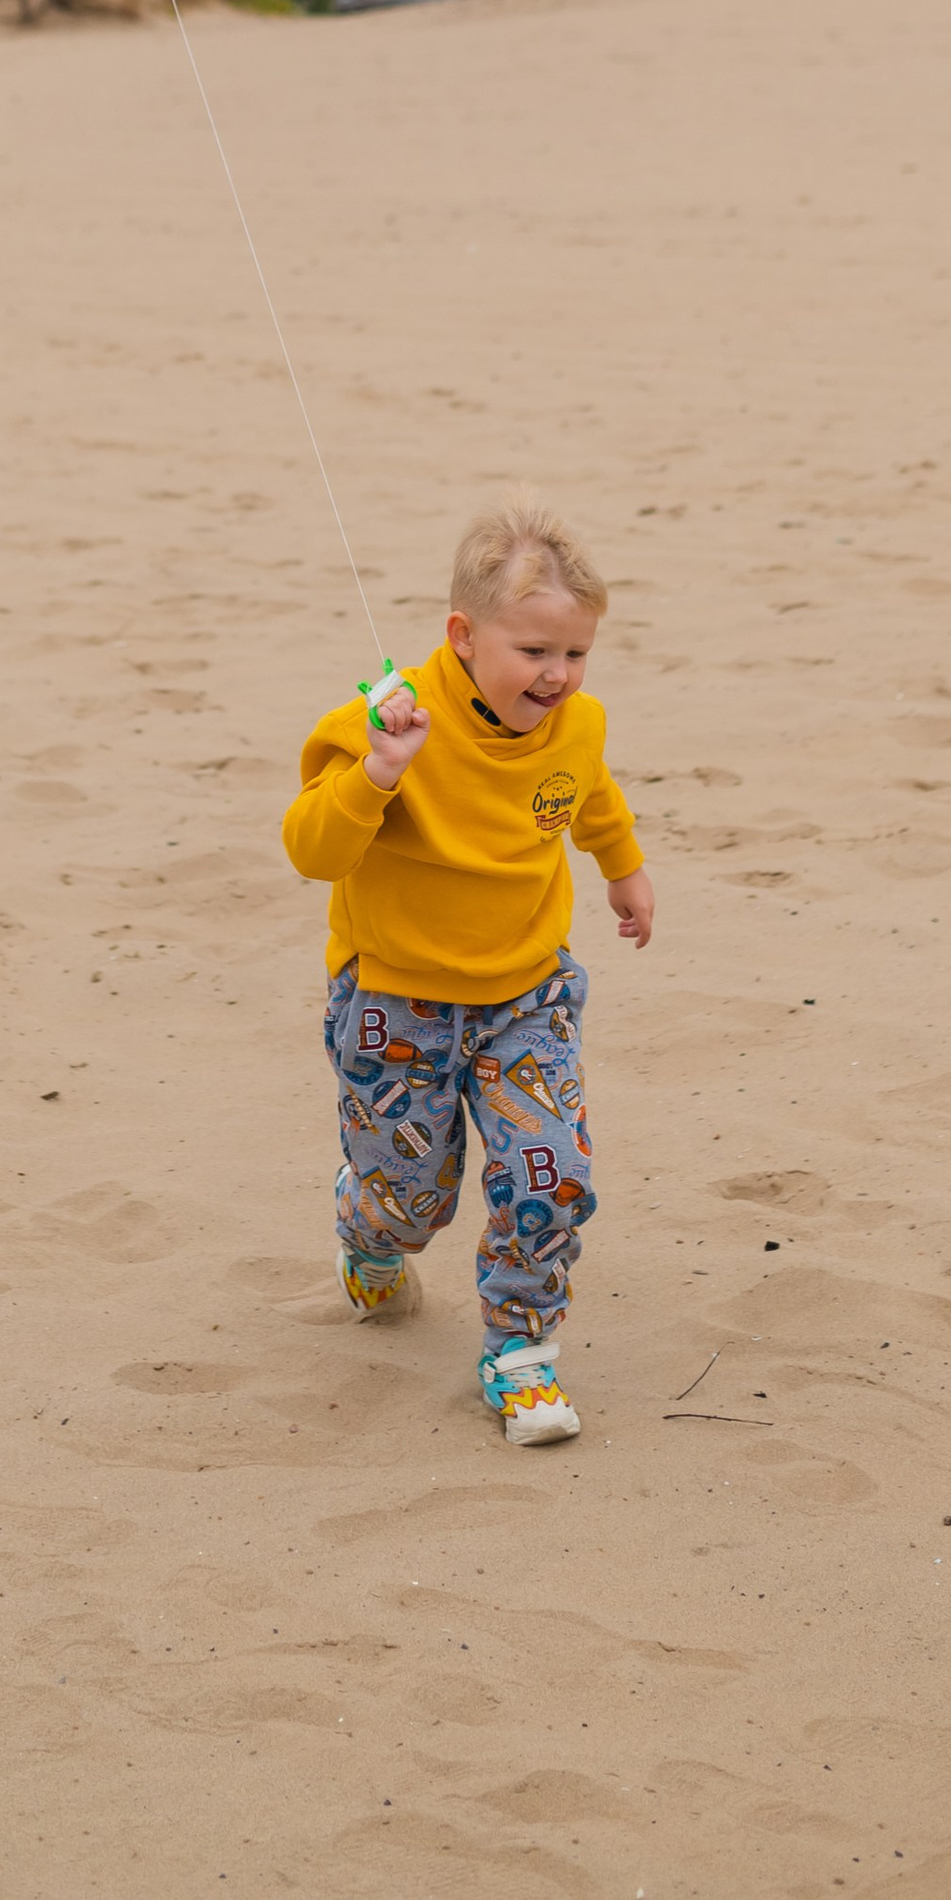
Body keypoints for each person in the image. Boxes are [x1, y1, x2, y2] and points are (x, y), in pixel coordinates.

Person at [280, 499, 651, 1447]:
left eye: (574, 655)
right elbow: (312, 850)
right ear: (463, 633)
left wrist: (624, 868)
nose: (558, 676)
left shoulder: (576, 722)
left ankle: (521, 1351)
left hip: (526, 995)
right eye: (533, 651)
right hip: (394, 1003)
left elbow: (588, 793)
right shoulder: (385, 719)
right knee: (415, 1199)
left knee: (551, 1171)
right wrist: (377, 770)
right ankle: (367, 1231)